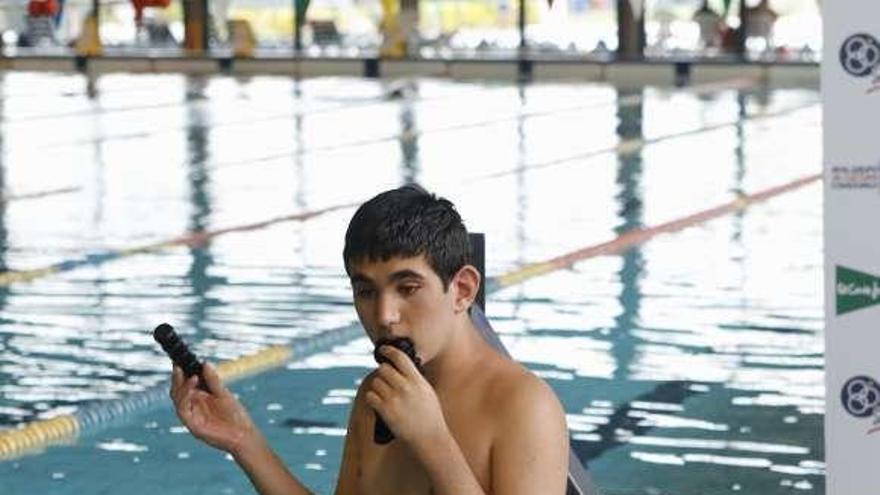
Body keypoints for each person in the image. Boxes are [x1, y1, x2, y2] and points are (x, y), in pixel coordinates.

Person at [170, 184, 570, 494]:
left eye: (408, 288)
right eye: (366, 291)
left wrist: (433, 441)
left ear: (462, 289)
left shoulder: (523, 406)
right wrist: (244, 441)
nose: (384, 316)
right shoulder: (376, 396)